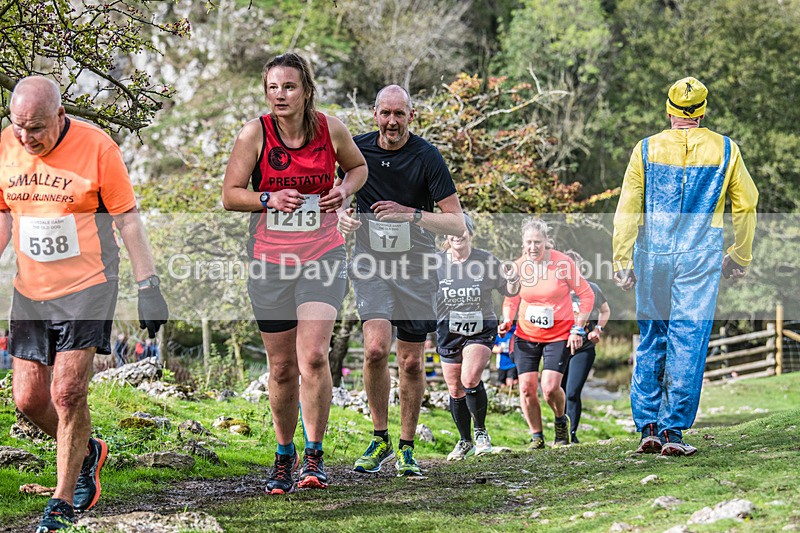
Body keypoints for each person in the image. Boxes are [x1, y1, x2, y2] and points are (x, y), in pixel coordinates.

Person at [1, 76, 168, 532]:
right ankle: (87, 451)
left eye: (36, 127)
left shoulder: (98, 148)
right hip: (31, 288)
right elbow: (3, 214)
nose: (26, 137)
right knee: (28, 399)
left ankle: (61, 501)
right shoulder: (6, 146)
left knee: (68, 392)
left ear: (60, 115)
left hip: (88, 285)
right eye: (18, 125)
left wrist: (148, 285)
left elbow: (127, 219)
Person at [222, 52, 367, 494]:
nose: (280, 95)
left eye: (288, 86)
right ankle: (284, 456)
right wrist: (268, 199)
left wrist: (343, 189)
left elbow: (358, 167)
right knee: (283, 367)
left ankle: (314, 455)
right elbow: (230, 195)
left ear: (306, 91)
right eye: (272, 87)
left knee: (314, 356)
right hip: (270, 261)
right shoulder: (255, 134)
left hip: (323, 254)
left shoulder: (331, 129)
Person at [613, 76, 758, 456]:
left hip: (653, 253)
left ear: (669, 110)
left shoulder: (645, 149)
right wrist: (740, 254)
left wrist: (622, 258)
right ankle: (673, 431)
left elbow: (628, 206)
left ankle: (647, 426)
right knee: (688, 338)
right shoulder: (726, 149)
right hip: (700, 255)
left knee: (653, 335)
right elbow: (746, 204)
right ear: (703, 111)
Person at [337, 84, 466, 476]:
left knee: (410, 362)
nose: (392, 121)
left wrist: (410, 214)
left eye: (399, 113)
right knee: (375, 349)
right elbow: (337, 197)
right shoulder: (356, 150)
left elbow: (457, 223)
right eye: (385, 113)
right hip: (370, 265)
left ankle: (407, 447)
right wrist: (342, 217)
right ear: (374, 114)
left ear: (412, 115)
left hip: (416, 268)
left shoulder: (427, 156)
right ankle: (380, 438)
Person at [499, 218, 594, 448]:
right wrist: (507, 320)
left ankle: (561, 422)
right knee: (526, 388)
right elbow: (511, 300)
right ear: (523, 243)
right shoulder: (518, 267)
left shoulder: (563, 263)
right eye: (529, 242)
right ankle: (537, 437)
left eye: (538, 242)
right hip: (526, 335)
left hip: (559, 335)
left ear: (546, 241)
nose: (533, 247)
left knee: (550, 388)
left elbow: (587, 295)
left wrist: (578, 328)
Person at [436, 213, 520, 460]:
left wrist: (514, 281)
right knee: (455, 389)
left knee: (470, 378)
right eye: (453, 231)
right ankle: (465, 441)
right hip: (448, 330)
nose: (458, 235)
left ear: (470, 233)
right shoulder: (436, 262)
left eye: (462, 230)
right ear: (447, 235)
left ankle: (481, 433)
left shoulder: (486, 260)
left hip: (480, 329)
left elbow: (509, 291)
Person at [560, 250, 611, 444]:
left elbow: (605, 310)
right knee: (558, 392)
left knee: (572, 392)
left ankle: (571, 436)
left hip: (584, 347)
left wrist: (598, 329)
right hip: (559, 347)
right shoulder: (555, 290)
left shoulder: (591, 289)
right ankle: (560, 434)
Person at [493, 324, 518, 390]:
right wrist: (497, 349)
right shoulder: (498, 332)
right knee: (502, 384)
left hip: (512, 363)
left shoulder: (515, 330)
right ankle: (504, 395)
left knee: (510, 382)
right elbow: (492, 346)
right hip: (501, 364)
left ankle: (512, 393)